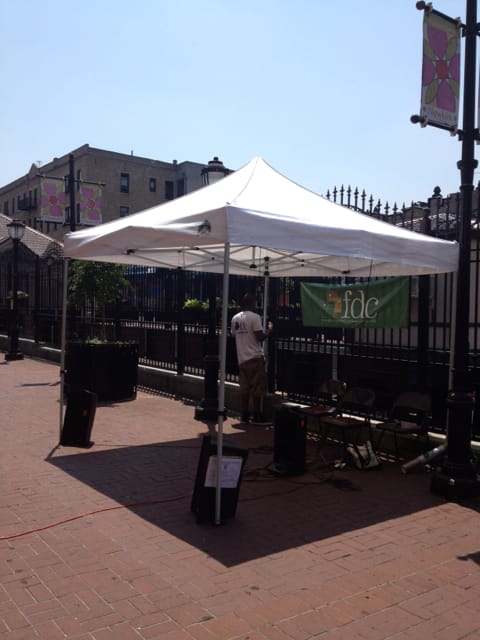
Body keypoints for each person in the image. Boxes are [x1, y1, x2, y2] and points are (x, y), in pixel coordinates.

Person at [231, 293, 272, 424]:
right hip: (254, 356)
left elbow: (233, 334)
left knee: (244, 388)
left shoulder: (235, 318)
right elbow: (259, 336)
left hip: (241, 358)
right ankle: (257, 415)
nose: (256, 305)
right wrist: (269, 330)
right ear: (252, 303)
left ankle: (244, 414)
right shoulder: (255, 317)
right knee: (257, 388)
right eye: (255, 302)